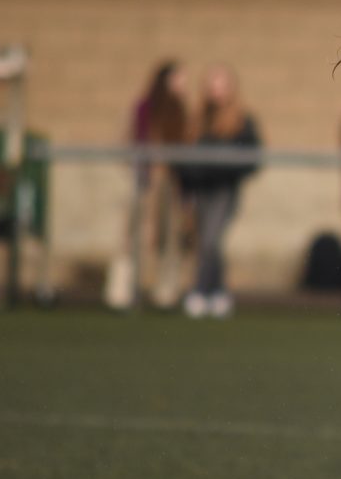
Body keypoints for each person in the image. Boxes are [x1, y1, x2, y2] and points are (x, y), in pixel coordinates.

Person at [176, 66, 260, 320]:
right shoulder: (197, 120)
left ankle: (200, 290)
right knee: (206, 242)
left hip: (224, 189)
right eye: (213, 85)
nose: (217, 91)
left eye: (222, 85)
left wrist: (221, 168)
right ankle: (219, 291)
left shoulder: (241, 121)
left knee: (211, 239)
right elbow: (184, 156)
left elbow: (251, 157)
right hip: (201, 190)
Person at [110, 60, 190, 310]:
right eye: (179, 78)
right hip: (143, 180)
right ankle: (120, 290)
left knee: (170, 235)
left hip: (171, 183)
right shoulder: (144, 108)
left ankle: (166, 290)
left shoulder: (180, 111)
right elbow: (129, 140)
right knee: (132, 234)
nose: (182, 84)